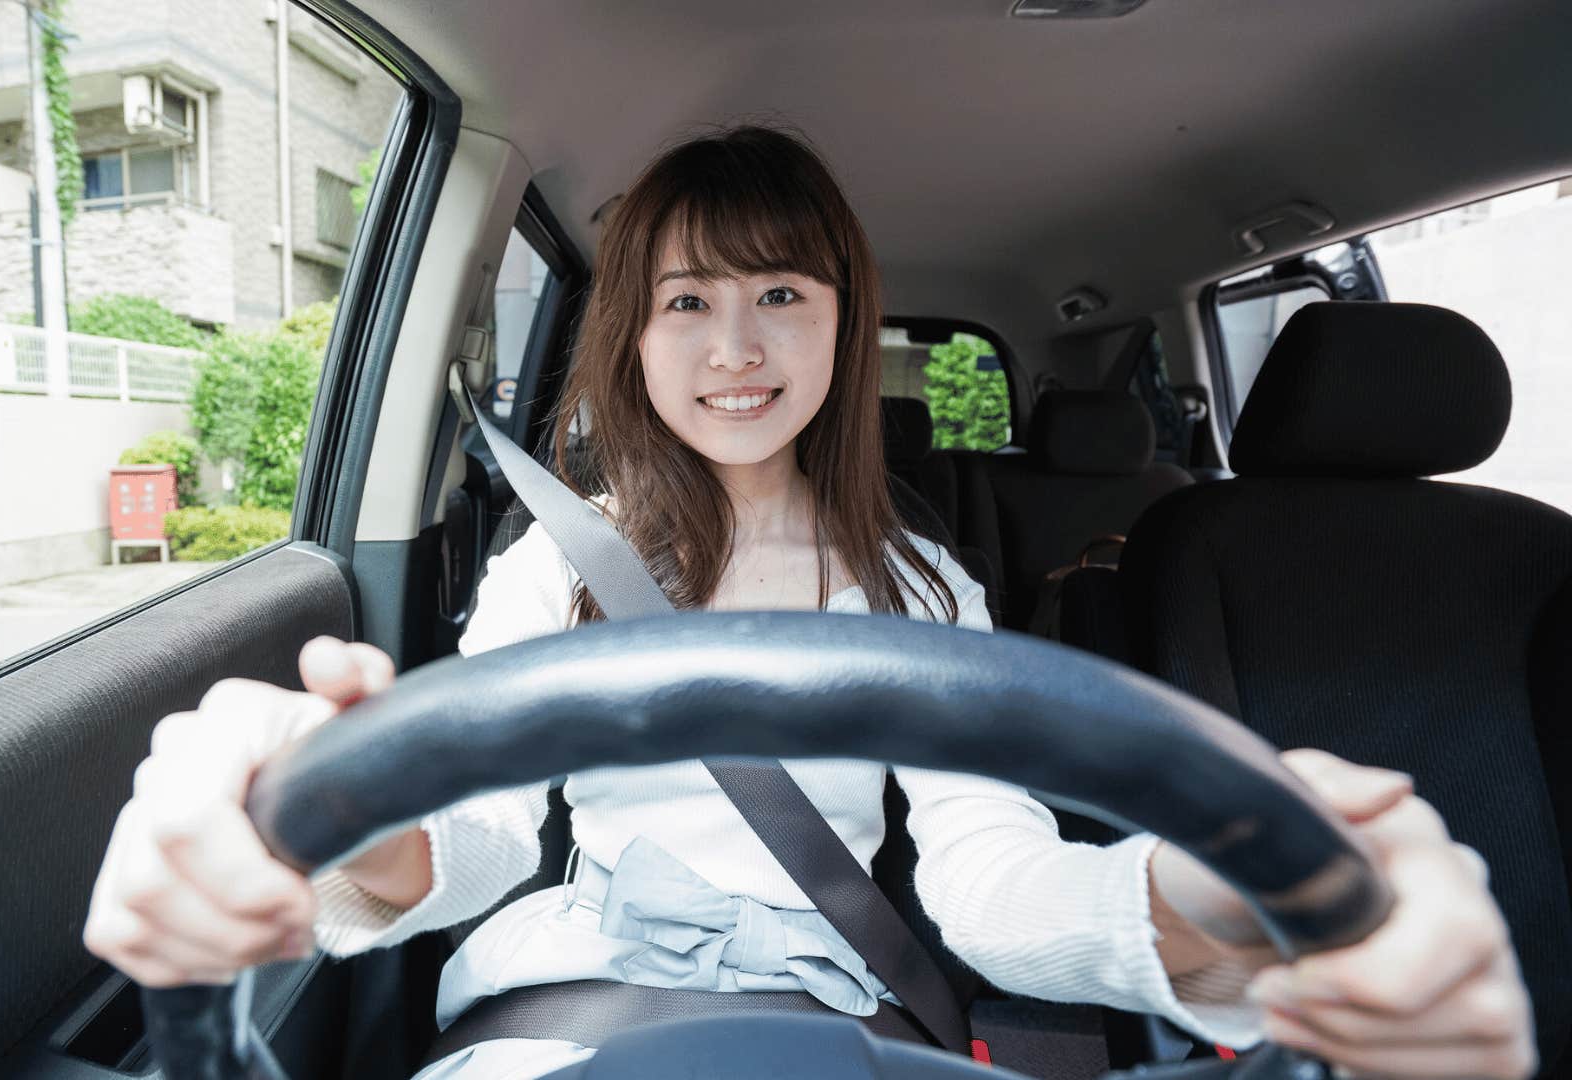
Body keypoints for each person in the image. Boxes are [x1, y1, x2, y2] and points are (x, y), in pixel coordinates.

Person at [83, 127, 1535, 1080]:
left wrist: (1195, 902)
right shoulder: (552, 569)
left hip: (837, 1027)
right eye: (685, 302)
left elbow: (988, 881)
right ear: (632, 340)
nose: (735, 348)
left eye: (780, 294)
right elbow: (471, 841)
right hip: (554, 1024)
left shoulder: (921, 582)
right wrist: (353, 820)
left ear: (846, 318)